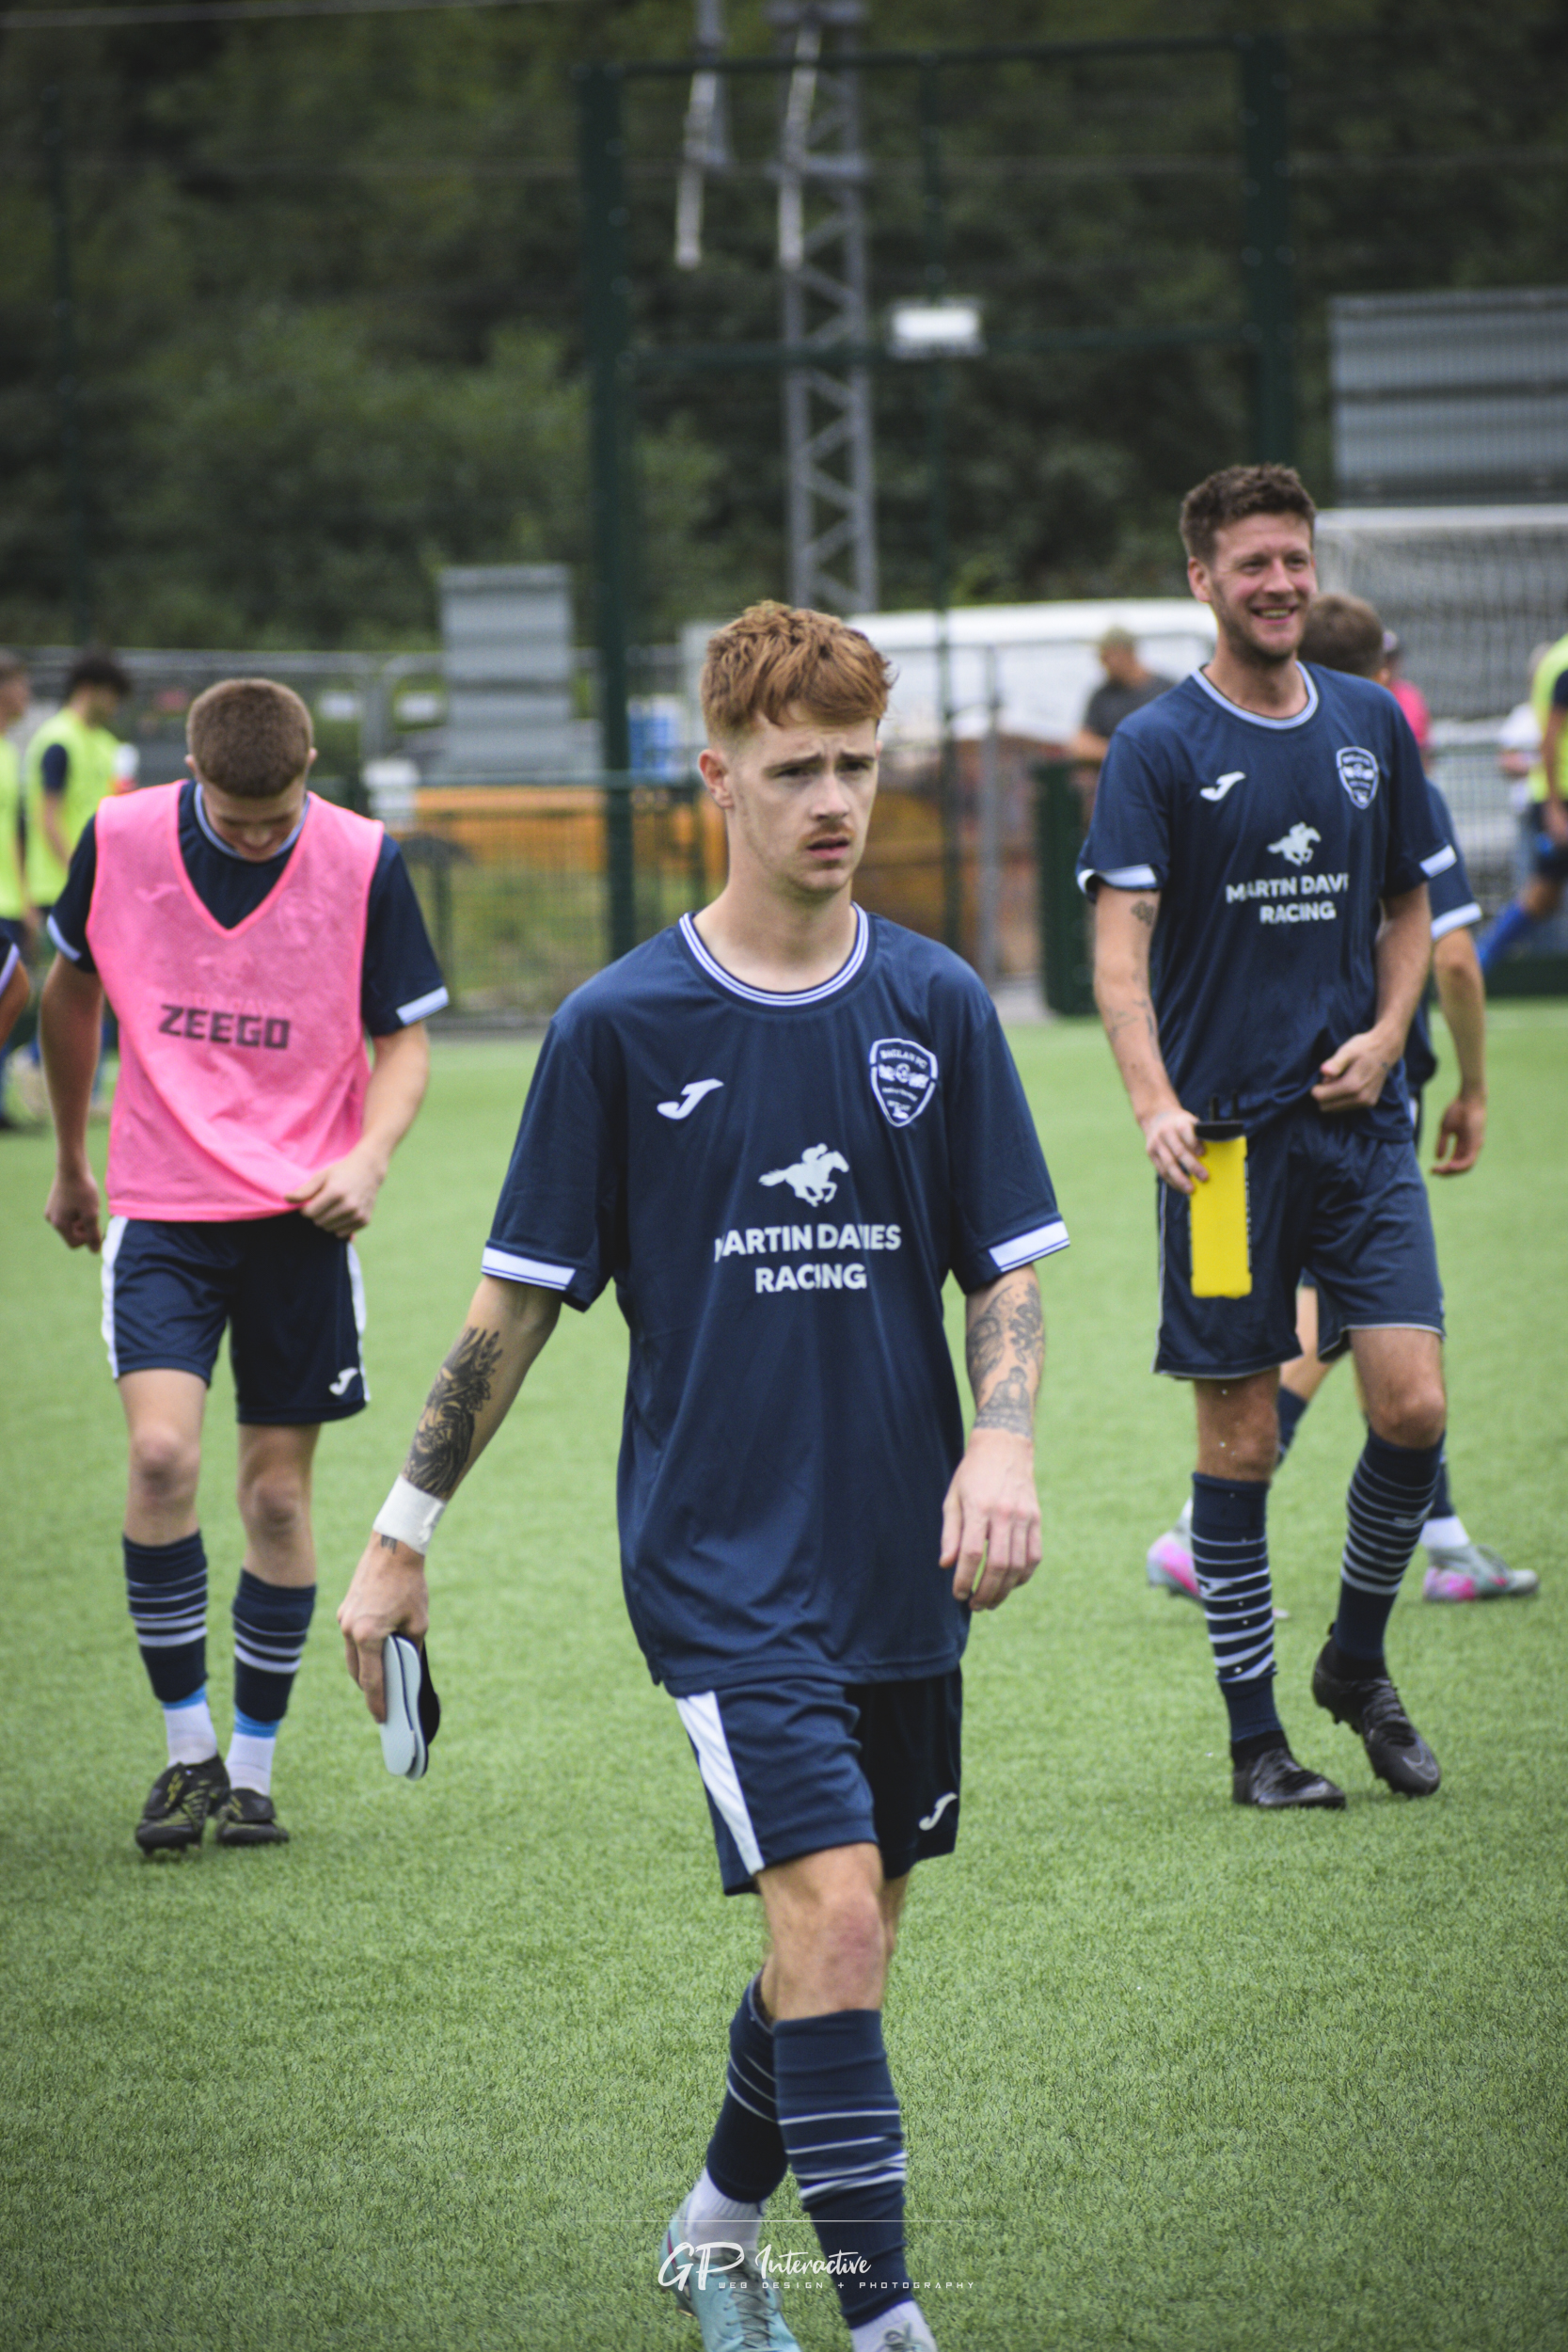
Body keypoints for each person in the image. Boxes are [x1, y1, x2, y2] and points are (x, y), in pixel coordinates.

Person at [338, 602, 1069, 2352]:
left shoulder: (937, 1001)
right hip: (721, 1564)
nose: (833, 800)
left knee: (852, 1932)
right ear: (714, 774)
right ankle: (883, 2328)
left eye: (856, 766)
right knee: (830, 1916)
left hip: (905, 1557)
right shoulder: (619, 1024)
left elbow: (1010, 1266)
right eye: (795, 768)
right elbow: (514, 1307)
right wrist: (396, 1540)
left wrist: (1003, 1433)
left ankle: (714, 2230)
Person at [1079, 464, 1455, 1813]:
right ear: (1202, 582)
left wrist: (1387, 1029)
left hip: (1360, 1134)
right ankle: (1254, 1747)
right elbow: (1115, 953)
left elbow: (1410, 903)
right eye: (1252, 565)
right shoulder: (1154, 747)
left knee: (1409, 1408)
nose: (1279, 583)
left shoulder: (1365, 721)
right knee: (1237, 1444)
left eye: (1293, 559)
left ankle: (1352, 1665)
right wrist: (1151, 1102)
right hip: (1226, 1152)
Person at [41, 677, 447, 1853]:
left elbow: (404, 1039)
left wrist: (369, 1157)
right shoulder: (118, 837)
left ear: (312, 762)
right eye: (234, 815)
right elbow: (70, 993)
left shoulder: (365, 858)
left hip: (299, 1223)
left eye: (280, 814)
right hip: (163, 1209)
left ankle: (254, 1771)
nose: (261, 835)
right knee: (162, 1456)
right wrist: (71, 1159)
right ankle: (186, 1754)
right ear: (188, 770)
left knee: (275, 1494)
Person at [1144, 591, 1535, 1609]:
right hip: (1350, 1102)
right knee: (1352, 1316)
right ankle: (1202, 1532)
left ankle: (1438, 1537)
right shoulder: (1377, 761)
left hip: (1260, 1102)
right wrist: (1471, 1083)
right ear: (1374, 673)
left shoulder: (1281, 757)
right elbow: (1450, 951)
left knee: (1377, 1326)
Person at [1477, 612, 1568, 974]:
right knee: (1541, 894)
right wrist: (1554, 807)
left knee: (1543, 894)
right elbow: (1550, 738)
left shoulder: (1557, 657)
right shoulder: (1564, 665)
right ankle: (1478, 960)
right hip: (1560, 795)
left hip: (1553, 794)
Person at [1067, 628, 1174, 810]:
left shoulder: (1165, 690)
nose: (1101, 663)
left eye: (1106, 656)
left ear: (1126, 653)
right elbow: (1081, 745)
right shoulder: (1102, 695)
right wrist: (1130, 753)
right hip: (1118, 792)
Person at [0, 652, 34, 1125]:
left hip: (7, 897)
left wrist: (24, 897)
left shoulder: (8, 749)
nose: (25, 694)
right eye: (18, 684)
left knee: (16, 988)